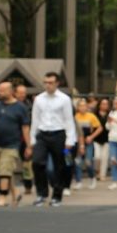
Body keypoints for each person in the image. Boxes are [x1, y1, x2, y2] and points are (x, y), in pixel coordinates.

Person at [29, 71, 77, 207]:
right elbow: (35, 119)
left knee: (59, 166)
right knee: (37, 163)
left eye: (50, 83)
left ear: (57, 83)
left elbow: (69, 120)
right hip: (42, 134)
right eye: (45, 82)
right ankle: (41, 194)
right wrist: (32, 138)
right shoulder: (39, 99)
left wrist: (69, 140)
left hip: (58, 134)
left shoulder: (64, 99)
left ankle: (57, 196)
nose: (48, 85)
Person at [73, 98, 102, 190]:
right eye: (80, 105)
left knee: (88, 161)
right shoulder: (75, 117)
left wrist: (92, 137)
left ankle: (92, 178)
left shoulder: (91, 116)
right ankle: (78, 181)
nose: (82, 107)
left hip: (88, 142)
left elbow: (99, 128)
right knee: (77, 162)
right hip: (77, 142)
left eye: (84, 105)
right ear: (77, 107)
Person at [14, 84, 35, 195]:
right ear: (15, 93)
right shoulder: (10, 105)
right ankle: (4, 185)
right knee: (7, 163)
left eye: (24, 92)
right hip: (12, 138)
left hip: (25, 138)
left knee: (27, 163)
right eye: (20, 92)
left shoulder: (30, 105)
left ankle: (28, 185)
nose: (22, 95)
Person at [93, 97, 112, 182]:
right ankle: (97, 171)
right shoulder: (94, 115)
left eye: (106, 104)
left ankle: (102, 175)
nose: (105, 106)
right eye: (103, 104)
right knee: (97, 157)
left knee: (105, 158)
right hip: (96, 139)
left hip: (107, 139)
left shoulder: (111, 115)